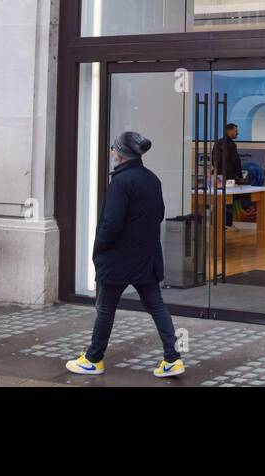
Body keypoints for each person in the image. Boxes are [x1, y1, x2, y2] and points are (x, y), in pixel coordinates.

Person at [66, 131, 185, 378]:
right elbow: (159, 214)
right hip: (146, 256)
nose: (111, 152)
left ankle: (93, 358)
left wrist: (99, 247)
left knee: (106, 308)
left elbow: (111, 222)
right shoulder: (152, 179)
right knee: (156, 306)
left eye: (113, 148)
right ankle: (173, 359)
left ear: (120, 154)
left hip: (119, 257)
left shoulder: (120, 182)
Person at [211, 123, 243, 226]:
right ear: (229, 131)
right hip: (229, 177)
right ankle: (228, 223)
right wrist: (239, 175)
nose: (237, 132)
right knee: (228, 200)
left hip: (218, 176)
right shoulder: (231, 145)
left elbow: (213, 160)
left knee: (218, 199)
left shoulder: (218, 143)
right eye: (235, 130)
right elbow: (235, 161)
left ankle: (216, 222)